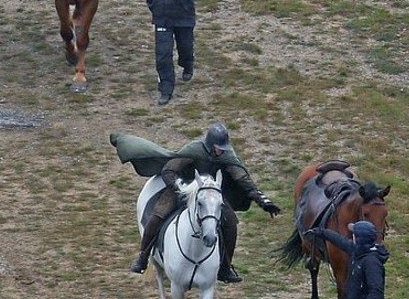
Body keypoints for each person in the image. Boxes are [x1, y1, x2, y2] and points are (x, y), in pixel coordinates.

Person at [110, 121, 281, 284]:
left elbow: (243, 179)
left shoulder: (227, 156)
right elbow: (169, 170)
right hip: (183, 189)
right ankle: (143, 258)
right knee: (157, 216)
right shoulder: (194, 151)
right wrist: (182, 188)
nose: (221, 152)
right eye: (218, 148)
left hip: (209, 195)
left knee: (230, 223)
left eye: (223, 149)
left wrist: (263, 201)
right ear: (210, 145)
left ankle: (225, 267)